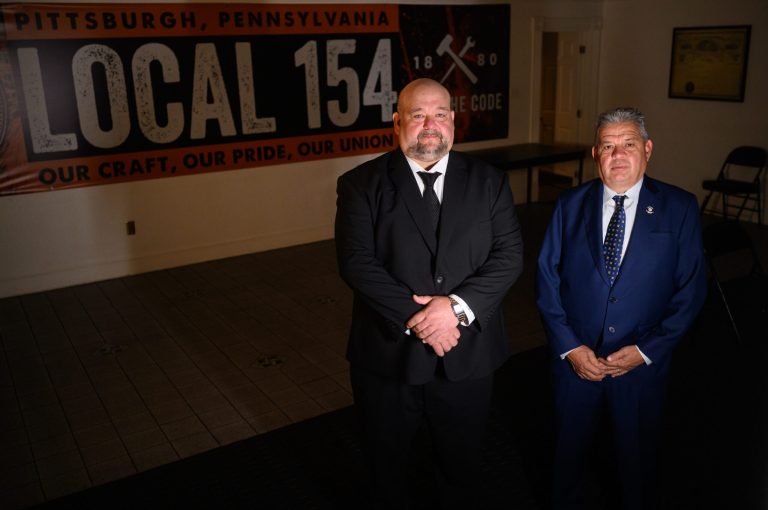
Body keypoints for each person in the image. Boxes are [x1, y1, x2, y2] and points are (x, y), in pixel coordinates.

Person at [335, 78, 523, 509]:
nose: (430, 124)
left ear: (453, 121)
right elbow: (357, 263)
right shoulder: (360, 184)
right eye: (418, 115)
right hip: (388, 358)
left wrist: (454, 309)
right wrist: (423, 319)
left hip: (468, 355)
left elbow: (509, 255)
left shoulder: (489, 182)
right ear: (398, 122)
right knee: (387, 467)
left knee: (461, 465)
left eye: (440, 114)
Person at [536, 107, 708, 509]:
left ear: (647, 149)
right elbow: (545, 280)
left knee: (637, 462)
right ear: (595, 154)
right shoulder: (568, 205)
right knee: (566, 458)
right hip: (575, 363)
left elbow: (692, 290)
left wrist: (647, 351)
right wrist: (571, 348)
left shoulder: (680, 208)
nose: (618, 155)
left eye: (628, 144)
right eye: (608, 146)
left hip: (641, 366)